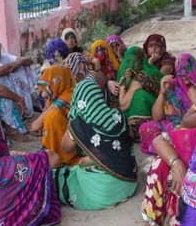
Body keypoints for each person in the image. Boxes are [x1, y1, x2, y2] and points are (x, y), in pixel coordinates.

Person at [54, 77, 137, 210]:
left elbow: (65, 148)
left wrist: (73, 119)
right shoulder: (118, 115)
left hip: (101, 193)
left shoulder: (79, 124)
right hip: (128, 184)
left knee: (60, 178)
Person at [138, 53, 196, 154]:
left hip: (193, 127)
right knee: (146, 127)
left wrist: (195, 100)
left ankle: (171, 150)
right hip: (174, 126)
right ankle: (170, 148)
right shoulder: (173, 86)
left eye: (187, 71)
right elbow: (157, 117)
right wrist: (162, 93)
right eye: (181, 73)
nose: (184, 77)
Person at [30, 65, 78, 165]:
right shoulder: (60, 94)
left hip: (71, 145)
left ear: (58, 82)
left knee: (52, 116)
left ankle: (61, 157)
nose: (44, 92)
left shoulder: (67, 96)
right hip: (69, 138)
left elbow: (35, 126)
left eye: (48, 84)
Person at [0, 35, 36, 120]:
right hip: (1, 91)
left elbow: (28, 61)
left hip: (13, 89)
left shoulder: (5, 57)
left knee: (21, 69)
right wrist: (16, 64)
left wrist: (19, 62)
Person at [116, 46, 163, 140]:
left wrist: (124, 87)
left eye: (134, 61)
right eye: (128, 61)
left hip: (154, 111)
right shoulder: (130, 75)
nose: (131, 64)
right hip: (155, 109)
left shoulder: (141, 77)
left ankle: (141, 129)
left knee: (138, 95)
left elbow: (123, 105)